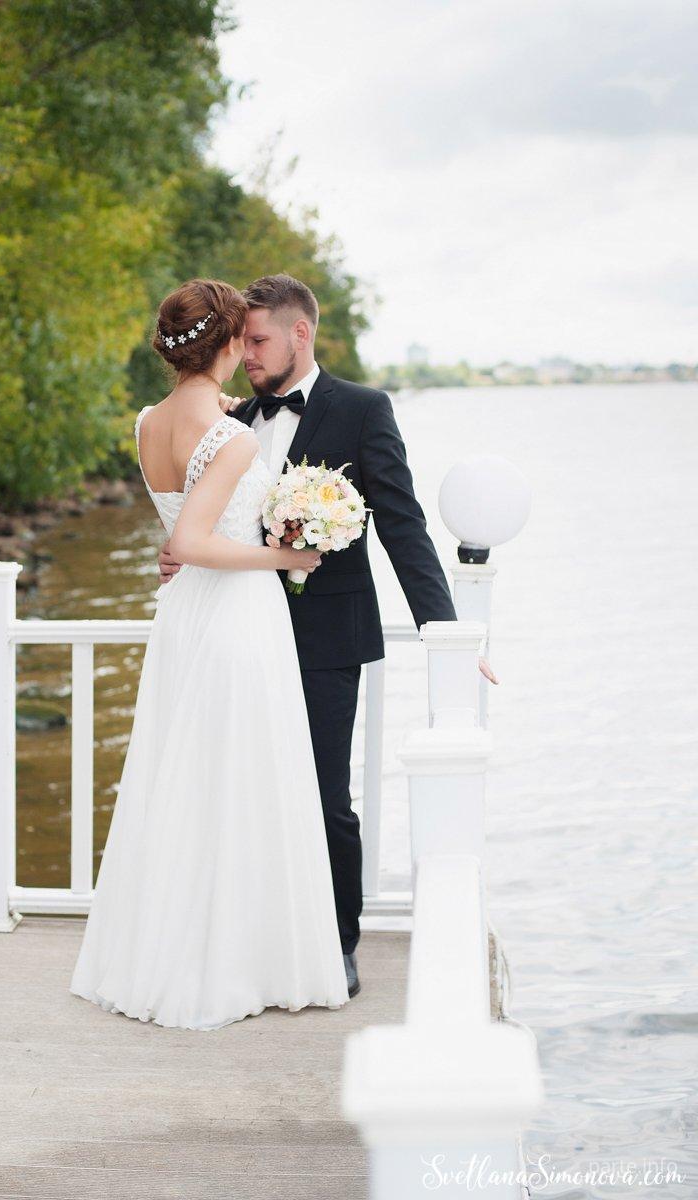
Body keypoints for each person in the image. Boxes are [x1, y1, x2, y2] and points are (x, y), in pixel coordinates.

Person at [157, 273, 499, 999]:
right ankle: (253, 942)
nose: (247, 354)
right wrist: (179, 552)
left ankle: (337, 943)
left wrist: (448, 635)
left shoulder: (364, 410)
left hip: (325, 642)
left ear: (300, 333)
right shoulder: (233, 417)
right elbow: (206, 523)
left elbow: (402, 526)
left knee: (323, 798)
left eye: (258, 340)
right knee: (244, 791)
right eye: (241, 341)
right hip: (235, 636)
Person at [69, 278, 350, 1031]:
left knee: (185, 779)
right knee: (240, 780)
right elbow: (192, 540)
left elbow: (179, 524)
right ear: (227, 341)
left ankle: (162, 953)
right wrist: (286, 559)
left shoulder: (148, 422)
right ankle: (237, 963)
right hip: (235, 617)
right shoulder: (234, 437)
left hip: (184, 615)